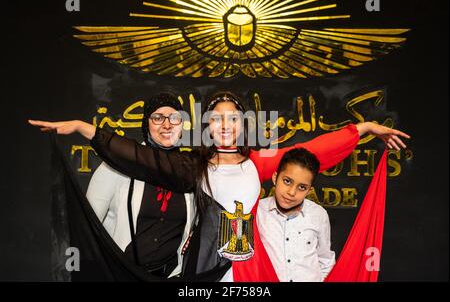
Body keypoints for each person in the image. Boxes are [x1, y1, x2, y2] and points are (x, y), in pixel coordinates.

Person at [29, 91, 410, 281]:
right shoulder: (192, 165)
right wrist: (85, 129)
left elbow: (310, 150)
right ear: (207, 125)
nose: (225, 125)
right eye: (216, 119)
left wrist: (364, 129)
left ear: (243, 124)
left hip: (249, 272)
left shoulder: (257, 164)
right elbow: (141, 157)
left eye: (233, 118)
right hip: (202, 274)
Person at [85, 93, 196, 278]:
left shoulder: (190, 170)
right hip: (120, 274)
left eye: (174, 118)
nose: (167, 125)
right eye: (158, 118)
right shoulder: (117, 164)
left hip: (171, 276)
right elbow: (88, 225)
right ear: (146, 124)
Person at [257, 148, 333, 282]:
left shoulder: (319, 214)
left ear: (309, 190)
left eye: (302, 187)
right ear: (275, 178)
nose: (292, 192)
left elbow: (325, 260)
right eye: (287, 181)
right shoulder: (258, 212)